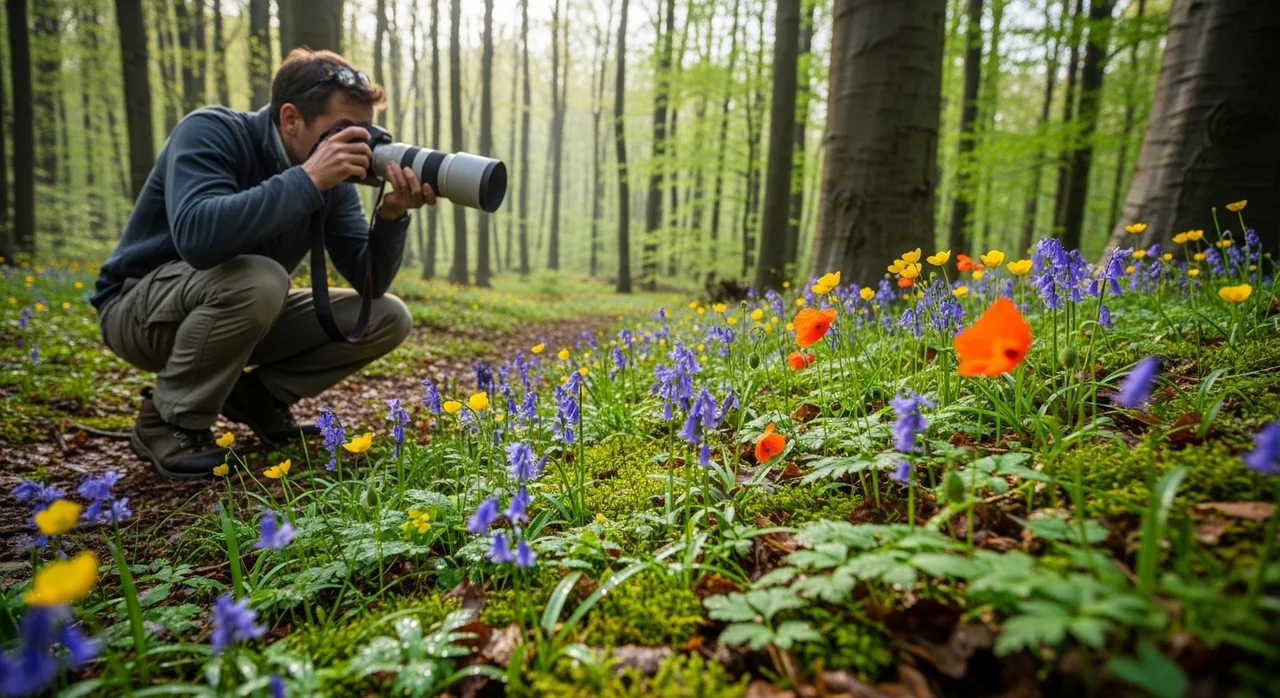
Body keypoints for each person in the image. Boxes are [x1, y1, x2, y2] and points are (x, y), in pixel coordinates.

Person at [90, 49, 435, 478]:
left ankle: (258, 398)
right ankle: (169, 420)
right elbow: (199, 238)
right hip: (138, 312)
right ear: (290, 118)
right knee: (262, 278)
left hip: (235, 309)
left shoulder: (333, 180)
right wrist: (308, 179)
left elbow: (371, 284)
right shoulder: (210, 131)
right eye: (342, 130)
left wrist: (390, 216)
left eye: (364, 132)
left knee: (386, 316)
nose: (356, 145)